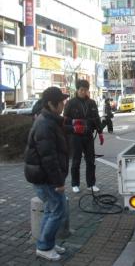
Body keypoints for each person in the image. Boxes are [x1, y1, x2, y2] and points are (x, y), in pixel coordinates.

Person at [24, 87, 70, 261]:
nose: (63, 104)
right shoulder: (45, 124)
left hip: (44, 176)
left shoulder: (50, 120)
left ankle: (46, 242)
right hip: (46, 178)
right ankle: (44, 246)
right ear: (51, 104)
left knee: (52, 210)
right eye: (61, 102)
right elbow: (48, 157)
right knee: (58, 211)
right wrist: (58, 182)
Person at [64, 79, 104, 193]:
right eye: (81, 90)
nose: (83, 92)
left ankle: (91, 184)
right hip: (75, 136)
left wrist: (100, 132)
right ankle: (75, 184)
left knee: (91, 160)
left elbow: (96, 118)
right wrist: (72, 127)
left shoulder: (91, 103)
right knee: (76, 160)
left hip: (88, 135)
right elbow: (65, 120)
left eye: (85, 90)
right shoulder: (70, 103)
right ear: (77, 90)